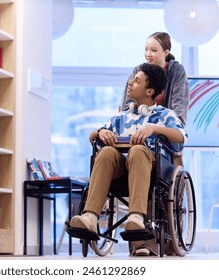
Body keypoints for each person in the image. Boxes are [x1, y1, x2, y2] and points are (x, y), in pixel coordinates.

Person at [69, 63, 187, 256]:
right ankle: (90, 217)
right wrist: (101, 132)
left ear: (149, 91)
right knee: (106, 153)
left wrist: (154, 129)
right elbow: (92, 137)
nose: (130, 83)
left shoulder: (165, 116)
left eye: (136, 81)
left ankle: (136, 217)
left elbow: (181, 137)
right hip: (120, 171)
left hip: (150, 170)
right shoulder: (120, 118)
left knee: (138, 151)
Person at [122, 32, 189, 168]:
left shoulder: (176, 72)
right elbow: (127, 106)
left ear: (166, 52)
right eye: (146, 49)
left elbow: (179, 112)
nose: (148, 54)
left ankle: (177, 187)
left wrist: (165, 126)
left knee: (176, 152)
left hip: (165, 125)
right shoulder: (138, 71)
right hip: (140, 125)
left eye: (153, 50)